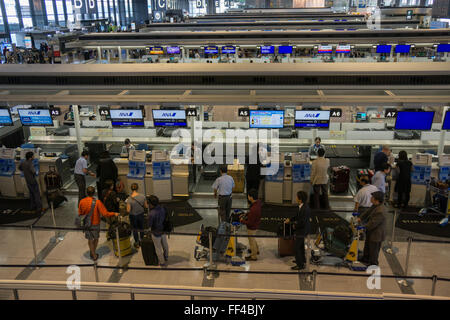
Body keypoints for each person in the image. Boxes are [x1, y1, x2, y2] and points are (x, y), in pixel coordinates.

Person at [78, 186, 119, 261]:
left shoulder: (82, 201)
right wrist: (114, 213)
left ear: (87, 193)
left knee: (90, 239)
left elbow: (80, 213)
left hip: (86, 224)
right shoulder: (97, 202)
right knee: (96, 238)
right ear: (94, 193)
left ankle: (92, 251)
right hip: (95, 223)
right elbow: (105, 214)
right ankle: (94, 255)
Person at [357, 191, 387, 266]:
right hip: (371, 232)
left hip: (376, 234)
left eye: (372, 197)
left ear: (376, 200)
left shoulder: (380, 211)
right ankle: (365, 258)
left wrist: (362, 227)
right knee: (367, 246)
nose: (370, 198)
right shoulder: (375, 205)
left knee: (373, 250)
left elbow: (372, 224)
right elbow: (367, 212)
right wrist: (360, 218)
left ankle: (373, 264)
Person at [285, 191, 311, 270]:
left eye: (297, 197)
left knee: (296, 248)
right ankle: (302, 260)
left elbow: (302, 222)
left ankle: (300, 265)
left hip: (302, 231)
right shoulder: (302, 206)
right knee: (300, 246)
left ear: (300, 199)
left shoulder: (305, 209)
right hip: (303, 229)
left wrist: (294, 225)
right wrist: (290, 219)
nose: (296, 198)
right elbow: (297, 216)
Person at [240, 189, 262, 261]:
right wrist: (247, 214)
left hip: (252, 227)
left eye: (248, 196)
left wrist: (242, 221)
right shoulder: (258, 203)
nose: (248, 197)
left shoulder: (254, 209)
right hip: (256, 224)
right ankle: (256, 250)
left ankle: (253, 256)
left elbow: (250, 222)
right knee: (253, 239)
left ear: (251, 197)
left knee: (251, 241)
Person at [147, 195, 169, 267]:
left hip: (156, 232)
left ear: (151, 204)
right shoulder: (162, 208)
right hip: (163, 229)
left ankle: (162, 262)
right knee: (165, 244)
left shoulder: (151, 213)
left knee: (158, 248)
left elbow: (149, 225)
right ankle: (166, 256)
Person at [126, 183, 148, 249]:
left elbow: (128, 210)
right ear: (137, 188)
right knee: (141, 228)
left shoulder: (129, 199)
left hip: (133, 216)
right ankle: (142, 240)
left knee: (135, 229)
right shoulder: (142, 196)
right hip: (141, 214)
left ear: (131, 189)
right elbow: (146, 206)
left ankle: (137, 243)